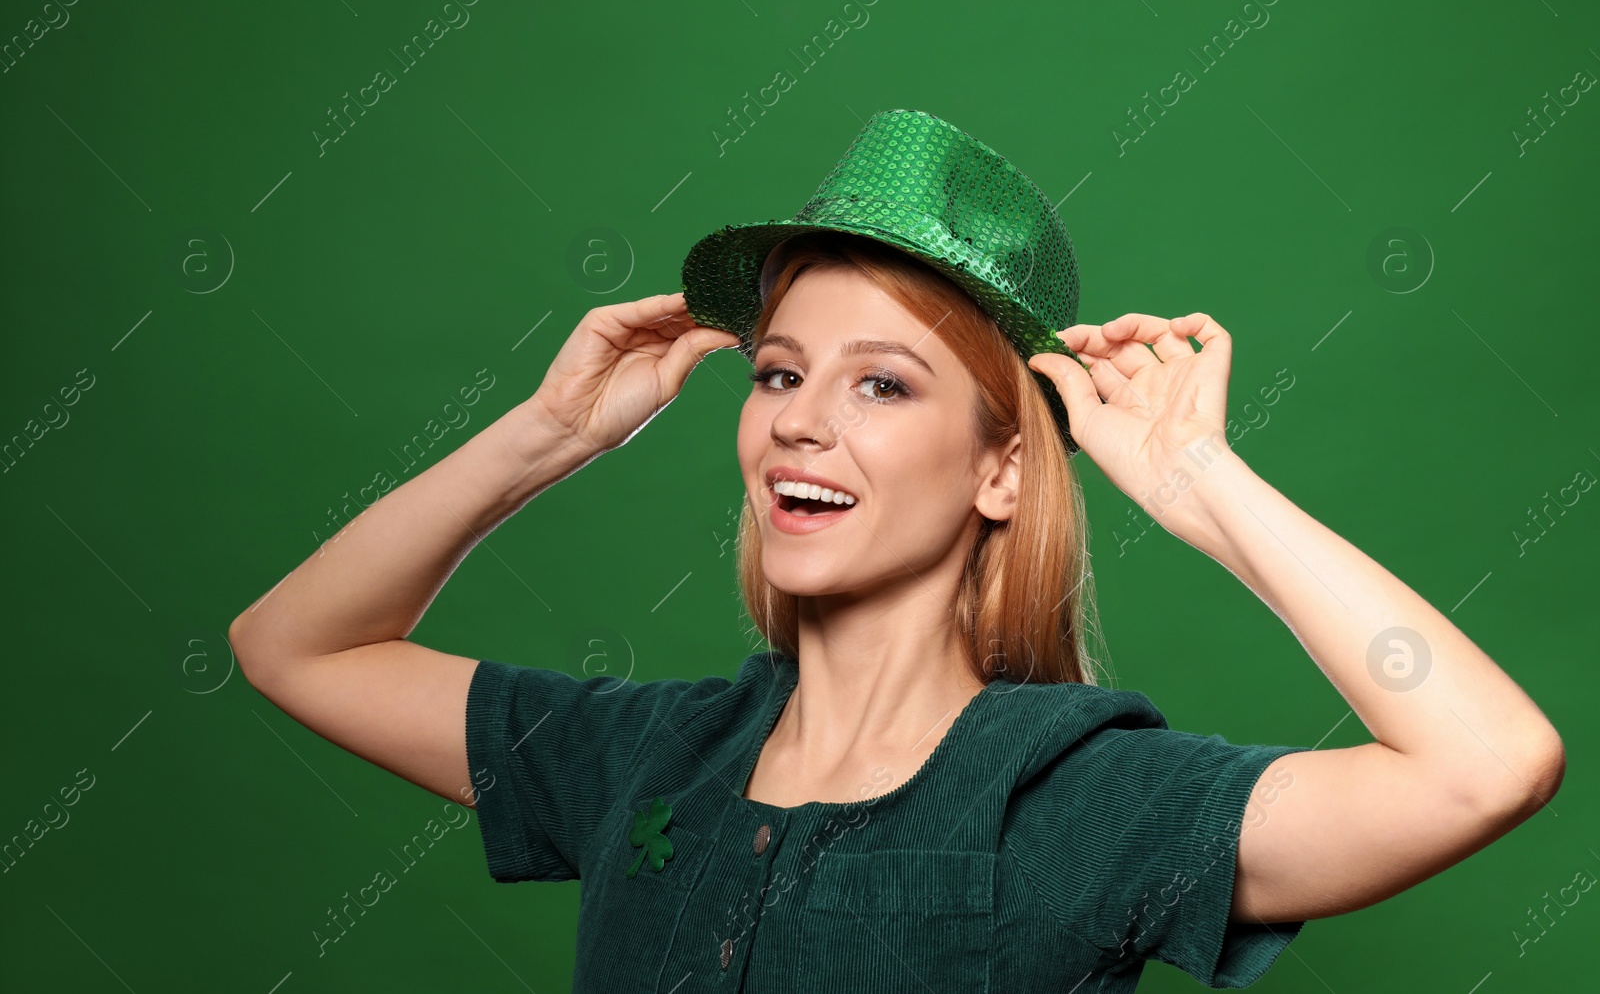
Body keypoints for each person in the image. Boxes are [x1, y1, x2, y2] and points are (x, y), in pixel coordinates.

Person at [230, 110, 1565, 991]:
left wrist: (1204, 485)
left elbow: (1487, 766)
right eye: (777, 376)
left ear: (1001, 466)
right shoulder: (645, 758)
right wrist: (543, 437)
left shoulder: (1087, 801)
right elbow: (296, 645)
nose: (801, 423)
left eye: (881, 386)